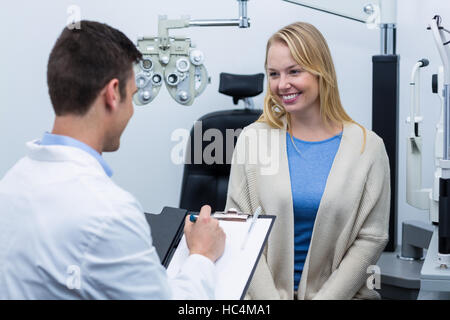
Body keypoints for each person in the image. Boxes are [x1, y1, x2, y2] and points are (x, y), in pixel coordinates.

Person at [0, 20, 225, 299]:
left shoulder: (11, 183)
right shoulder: (108, 212)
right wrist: (202, 255)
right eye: (132, 97)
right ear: (111, 93)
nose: (131, 111)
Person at [225, 22, 390, 300]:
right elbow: (240, 230)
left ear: (320, 71)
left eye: (294, 71)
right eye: (273, 74)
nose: (282, 84)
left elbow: (371, 239)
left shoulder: (368, 147)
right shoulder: (253, 140)